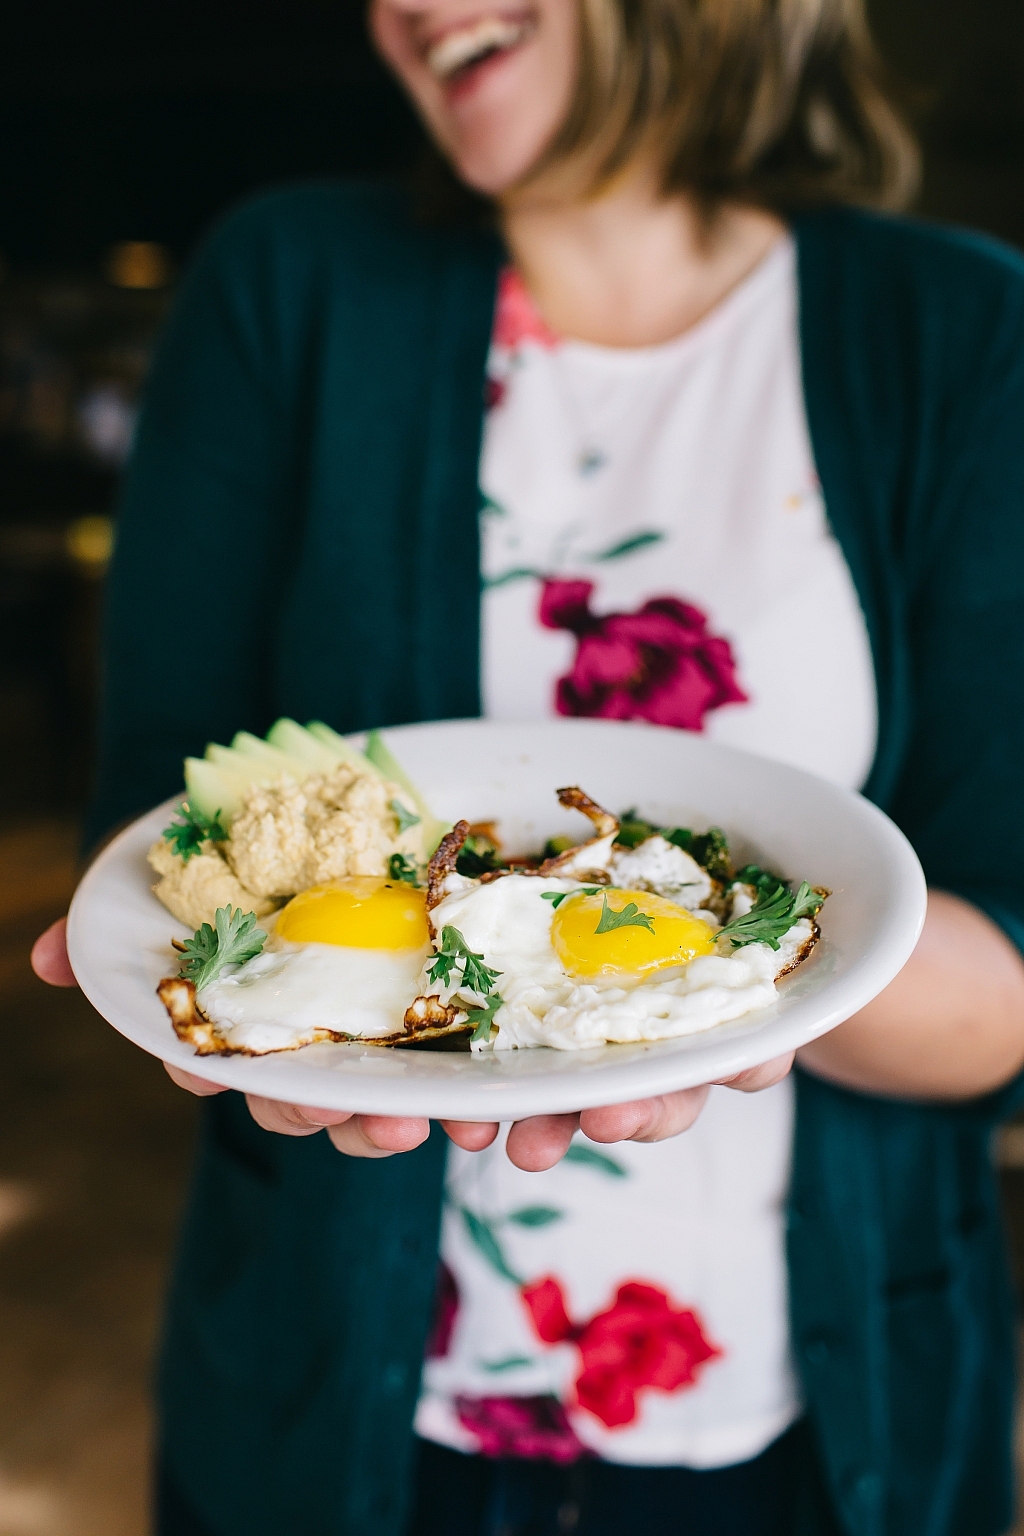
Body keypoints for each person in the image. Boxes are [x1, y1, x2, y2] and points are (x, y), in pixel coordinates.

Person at [31, 0, 1024, 1532]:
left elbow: (1008, 991)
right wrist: (262, 989)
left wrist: (711, 983)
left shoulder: (966, 334)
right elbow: (158, 842)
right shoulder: (287, 286)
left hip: (812, 1427)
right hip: (338, 1397)